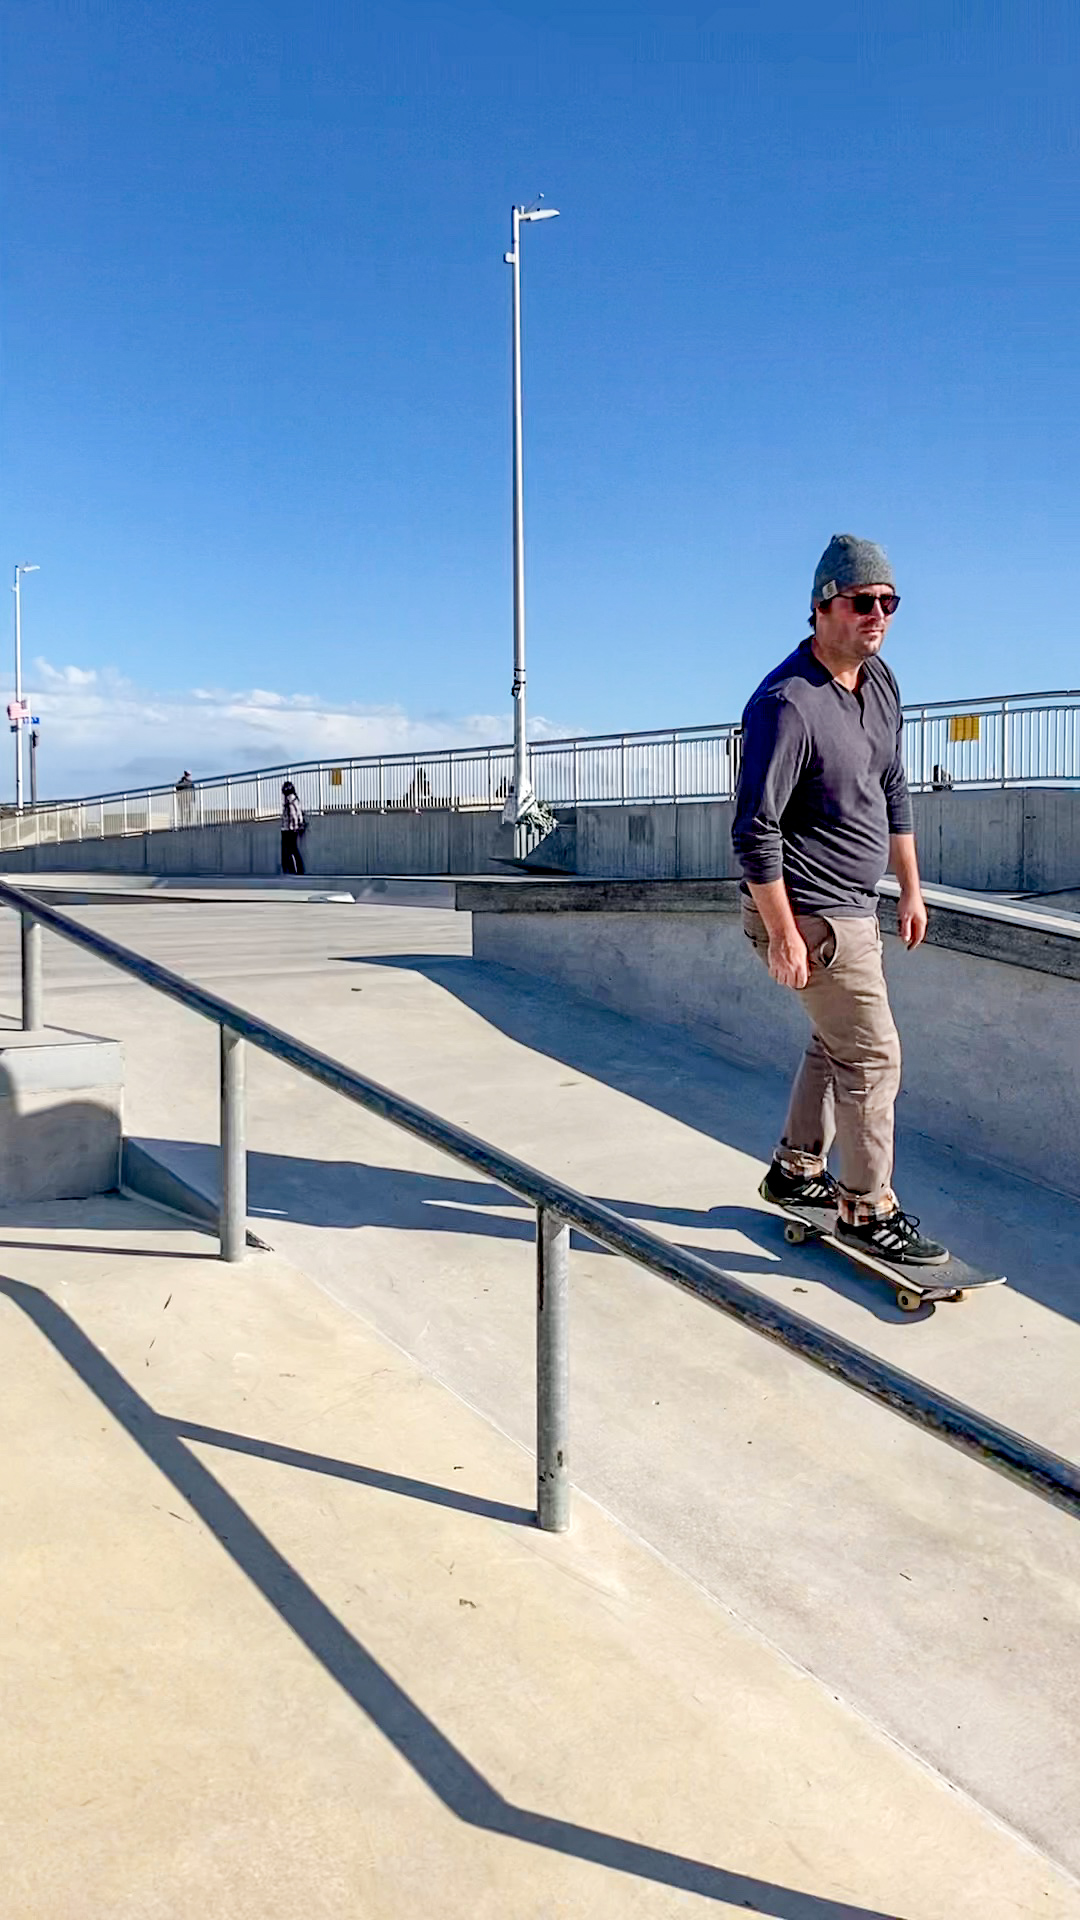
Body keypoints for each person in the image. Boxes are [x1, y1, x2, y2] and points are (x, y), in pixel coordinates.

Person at [731, 533, 948, 1265]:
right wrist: (783, 934)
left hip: (857, 904)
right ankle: (865, 1206)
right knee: (873, 1057)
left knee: (838, 1044)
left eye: (889, 602)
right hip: (810, 913)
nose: (877, 614)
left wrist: (910, 889)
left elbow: (893, 786)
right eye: (862, 602)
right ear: (823, 607)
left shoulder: (879, 681)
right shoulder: (787, 704)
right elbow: (754, 829)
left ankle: (797, 1169)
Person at [280, 779, 306, 874]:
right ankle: (291, 869)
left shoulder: (292, 799)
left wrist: (299, 824)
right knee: (289, 850)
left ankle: (296, 869)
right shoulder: (289, 799)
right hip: (287, 828)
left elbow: (297, 813)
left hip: (290, 829)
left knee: (291, 850)